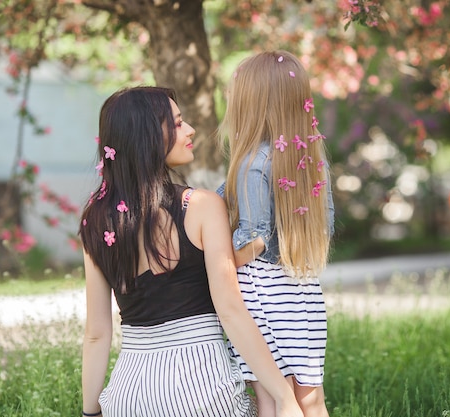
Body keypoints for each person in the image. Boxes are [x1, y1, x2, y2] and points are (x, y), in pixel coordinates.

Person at [79, 86, 303, 417]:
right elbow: (230, 311)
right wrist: (284, 396)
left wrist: (89, 412)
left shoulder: (95, 220)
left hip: (128, 397)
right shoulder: (201, 206)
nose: (190, 130)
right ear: (149, 137)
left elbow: (97, 333)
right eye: (178, 123)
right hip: (203, 392)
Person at [217, 51, 335, 417]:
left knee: (271, 396)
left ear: (252, 104)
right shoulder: (312, 162)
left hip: (261, 297)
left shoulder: (252, 163)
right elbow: (325, 226)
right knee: (311, 398)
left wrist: (219, 265)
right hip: (302, 292)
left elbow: (255, 240)